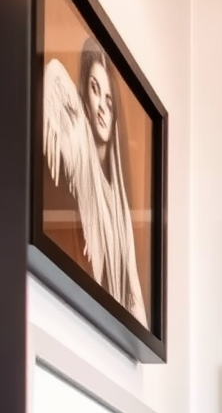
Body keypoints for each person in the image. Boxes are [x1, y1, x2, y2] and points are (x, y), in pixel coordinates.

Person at [43, 37, 148, 327]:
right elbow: (53, 75)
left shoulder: (120, 207)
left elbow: (136, 296)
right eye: (94, 89)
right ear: (84, 98)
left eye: (109, 99)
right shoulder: (80, 156)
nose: (101, 106)